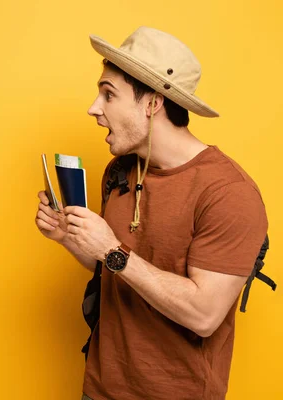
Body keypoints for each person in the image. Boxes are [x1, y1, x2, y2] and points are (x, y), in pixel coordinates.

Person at [35, 27, 267, 399]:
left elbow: (203, 316)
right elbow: (112, 267)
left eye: (108, 94)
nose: (94, 107)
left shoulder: (229, 193)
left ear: (152, 103)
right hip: (99, 389)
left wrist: (111, 249)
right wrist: (70, 237)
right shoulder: (119, 171)